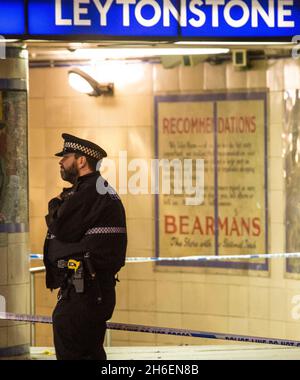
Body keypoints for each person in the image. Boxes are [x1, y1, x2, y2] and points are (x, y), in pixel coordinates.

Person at [43, 133, 127, 360]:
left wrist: (54, 205)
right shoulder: (101, 189)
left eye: (66, 157)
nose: (60, 162)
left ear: (81, 161)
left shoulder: (89, 192)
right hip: (92, 290)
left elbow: (60, 226)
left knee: (73, 349)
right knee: (90, 353)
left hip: (83, 293)